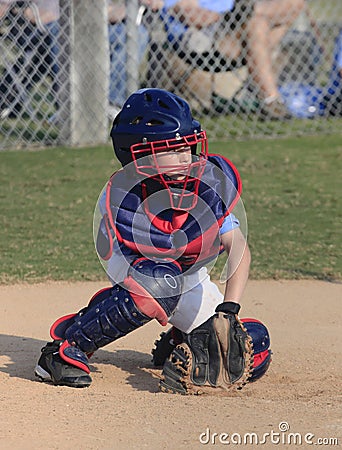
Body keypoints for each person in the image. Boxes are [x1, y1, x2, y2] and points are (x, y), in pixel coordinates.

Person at [34, 88, 271, 393]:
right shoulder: (127, 195)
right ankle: (64, 351)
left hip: (190, 279)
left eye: (187, 146)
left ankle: (184, 339)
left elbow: (238, 246)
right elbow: (151, 255)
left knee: (253, 349)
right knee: (161, 282)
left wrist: (229, 309)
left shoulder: (207, 184)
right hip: (137, 268)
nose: (185, 156)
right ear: (141, 154)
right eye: (172, 149)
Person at [154, 0, 305, 119]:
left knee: (293, 4)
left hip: (236, 23)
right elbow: (195, 16)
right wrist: (233, 12)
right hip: (203, 39)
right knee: (256, 24)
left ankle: (265, 87)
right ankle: (270, 98)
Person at [0, 0, 60, 119]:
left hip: (51, 33)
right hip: (31, 31)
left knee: (52, 42)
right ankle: (64, 105)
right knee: (54, 36)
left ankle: (65, 104)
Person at [107, 0, 163, 119]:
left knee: (139, 34)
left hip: (118, 26)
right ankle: (107, 101)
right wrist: (128, 7)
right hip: (82, 27)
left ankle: (112, 102)